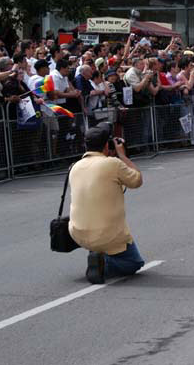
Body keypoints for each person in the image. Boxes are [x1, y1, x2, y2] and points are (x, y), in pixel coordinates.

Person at [68, 122, 144, 284]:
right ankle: (104, 263)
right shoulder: (112, 164)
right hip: (106, 234)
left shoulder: (75, 167)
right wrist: (122, 155)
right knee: (134, 263)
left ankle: (98, 254)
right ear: (106, 145)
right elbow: (137, 180)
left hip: (78, 233)